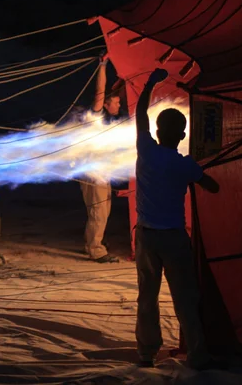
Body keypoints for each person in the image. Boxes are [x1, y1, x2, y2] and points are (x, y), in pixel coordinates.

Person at [134, 68, 224, 370]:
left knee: (147, 296)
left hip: (146, 236)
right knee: (185, 297)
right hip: (173, 237)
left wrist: (149, 84)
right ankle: (197, 354)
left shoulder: (145, 150)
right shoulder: (184, 165)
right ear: (183, 135)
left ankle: (146, 353)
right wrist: (200, 166)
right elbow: (214, 187)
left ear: (157, 131)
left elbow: (139, 113)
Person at [80, 52, 121, 263]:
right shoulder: (97, 116)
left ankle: (92, 243)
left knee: (102, 209)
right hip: (94, 171)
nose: (119, 105)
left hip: (101, 171)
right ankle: (96, 249)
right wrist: (103, 66)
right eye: (116, 102)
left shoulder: (108, 120)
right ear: (106, 104)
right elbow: (100, 92)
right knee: (99, 211)